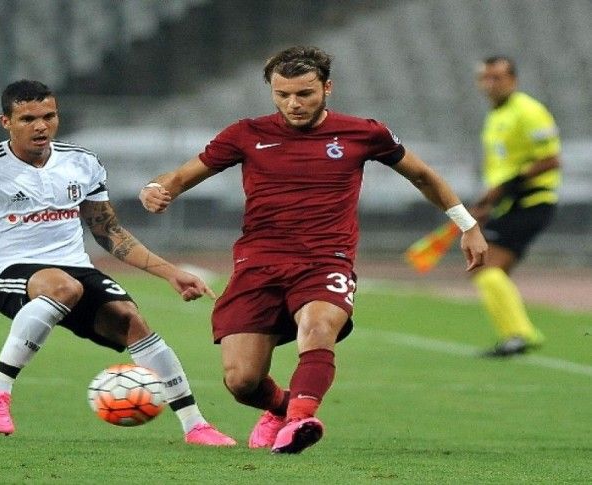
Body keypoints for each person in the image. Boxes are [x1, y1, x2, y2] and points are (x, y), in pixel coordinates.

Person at [139, 46, 488, 454]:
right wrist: (156, 188)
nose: (294, 104)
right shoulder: (246, 134)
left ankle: (299, 423)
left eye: (304, 94)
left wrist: (468, 225)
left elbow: (423, 175)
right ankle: (281, 409)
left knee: (319, 327)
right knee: (242, 381)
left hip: (325, 260)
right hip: (258, 263)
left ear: (327, 88)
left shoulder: (364, 133)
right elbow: (182, 175)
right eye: (283, 94)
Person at [0, 80, 235, 446]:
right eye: (28, 119)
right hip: (7, 268)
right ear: (6, 122)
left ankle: (195, 426)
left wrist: (172, 273)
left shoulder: (82, 162)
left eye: (49, 116)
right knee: (63, 287)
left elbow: (108, 231)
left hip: (74, 268)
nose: (41, 126)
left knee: (131, 321)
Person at [470, 56, 561, 357]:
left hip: (532, 200)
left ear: (513, 80)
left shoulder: (529, 111)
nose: (490, 84)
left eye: (497, 77)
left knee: (486, 266)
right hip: (510, 202)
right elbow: (502, 166)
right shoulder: (496, 115)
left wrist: (502, 189)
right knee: (492, 271)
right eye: (485, 78)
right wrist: (490, 200)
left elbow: (550, 160)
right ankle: (515, 336)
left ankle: (521, 334)